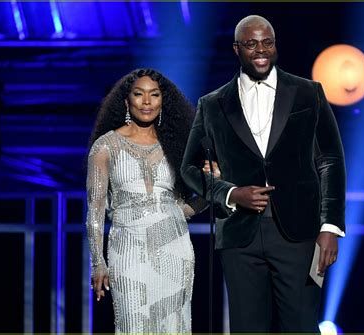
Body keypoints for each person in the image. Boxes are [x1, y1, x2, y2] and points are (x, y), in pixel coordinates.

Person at [181, 15, 346, 333]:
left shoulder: (308, 93)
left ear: (275, 45)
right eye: (251, 43)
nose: (261, 50)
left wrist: (330, 227)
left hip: (301, 234)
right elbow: (189, 167)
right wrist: (231, 193)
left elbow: (331, 160)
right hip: (239, 236)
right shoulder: (213, 104)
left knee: (300, 326)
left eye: (267, 42)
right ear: (236, 49)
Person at [85, 68, 217, 333]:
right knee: (132, 324)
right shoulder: (105, 147)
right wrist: (98, 262)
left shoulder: (178, 146)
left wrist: (210, 189)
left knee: (172, 326)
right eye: (139, 94)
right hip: (128, 249)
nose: (147, 102)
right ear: (127, 101)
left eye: (154, 95)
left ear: (162, 101)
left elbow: (184, 209)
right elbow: (95, 209)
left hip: (174, 247)